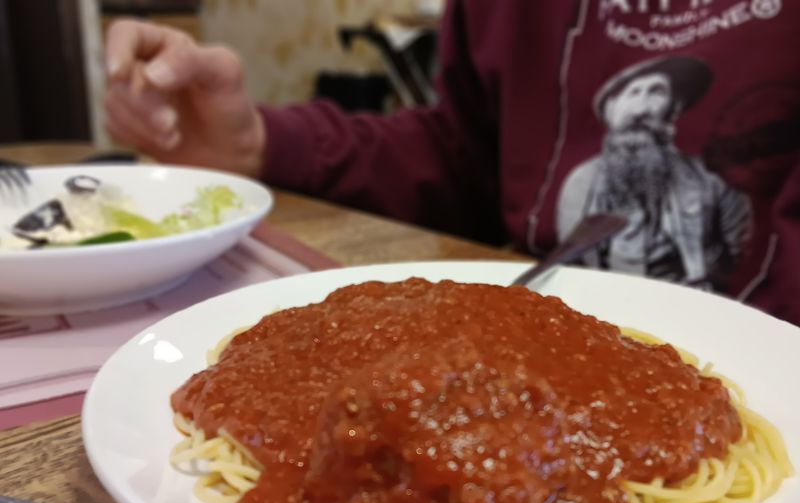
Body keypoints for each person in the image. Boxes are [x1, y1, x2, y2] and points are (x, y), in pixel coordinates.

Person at [104, 0, 800, 325]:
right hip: (536, 320)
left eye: (660, 101)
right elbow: (463, 153)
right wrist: (258, 143)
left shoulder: (710, 193)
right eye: (634, 98)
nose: (646, 111)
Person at [556, 56, 751, 291]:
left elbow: (738, 260)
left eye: (656, 92)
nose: (641, 109)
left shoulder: (713, 182)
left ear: (674, 109)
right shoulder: (581, 184)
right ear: (611, 110)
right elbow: (571, 265)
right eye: (633, 92)